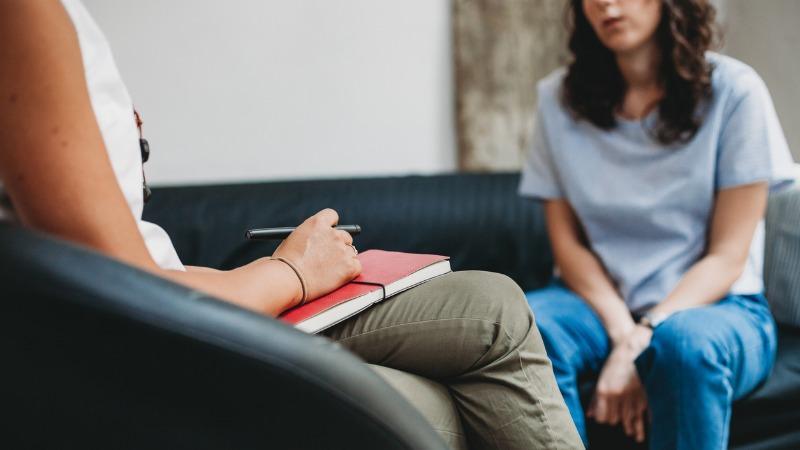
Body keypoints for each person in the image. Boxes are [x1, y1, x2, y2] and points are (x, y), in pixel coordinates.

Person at [0, 1, 584, 448]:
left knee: (491, 305)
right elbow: (119, 291)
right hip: (152, 347)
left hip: (169, 311)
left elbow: (125, 257)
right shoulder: (24, 15)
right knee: (435, 402)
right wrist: (290, 271)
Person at [519, 0, 796, 449]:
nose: (607, 3)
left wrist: (646, 335)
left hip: (716, 306)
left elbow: (728, 256)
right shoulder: (557, 99)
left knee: (683, 346)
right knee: (523, 326)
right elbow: (567, 245)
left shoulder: (736, 91)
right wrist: (623, 333)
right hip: (597, 304)